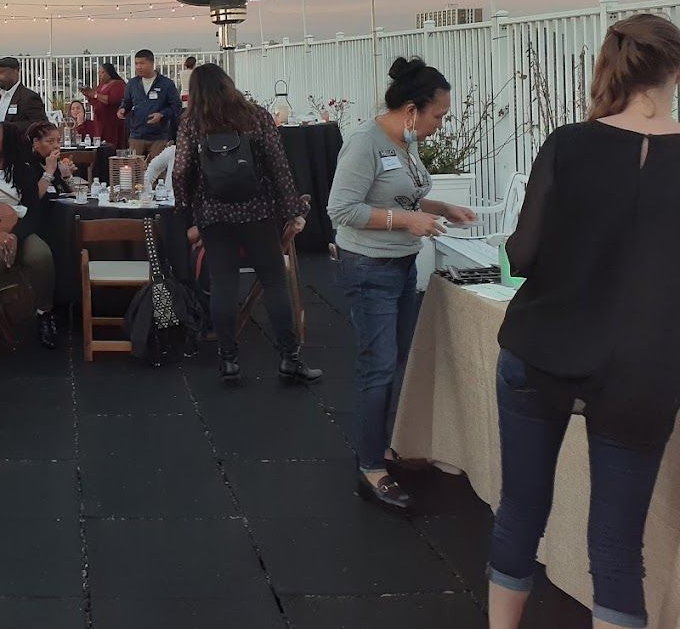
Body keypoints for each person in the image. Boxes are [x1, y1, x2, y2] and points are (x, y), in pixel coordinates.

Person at [487, 14, 680, 629]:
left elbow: (522, 255)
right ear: (675, 72)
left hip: (541, 347)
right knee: (618, 551)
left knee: (520, 513)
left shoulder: (568, 143)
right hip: (644, 370)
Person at [327, 57, 477, 514]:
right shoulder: (364, 143)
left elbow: (399, 194)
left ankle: (381, 447)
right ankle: (371, 466)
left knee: (393, 363)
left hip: (400, 265)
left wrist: (441, 208)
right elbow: (342, 209)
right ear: (412, 110)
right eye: (439, 115)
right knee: (378, 368)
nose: (440, 125)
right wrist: (407, 221)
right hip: (368, 267)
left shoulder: (404, 142)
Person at [172, 63, 320, 386]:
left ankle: (228, 361)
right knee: (274, 282)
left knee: (223, 283)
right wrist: (293, 209)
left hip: (213, 214)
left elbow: (181, 170)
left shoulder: (192, 123)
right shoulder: (256, 117)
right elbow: (279, 166)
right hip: (258, 211)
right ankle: (290, 358)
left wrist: (186, 207)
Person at [0, 122, 59, 353]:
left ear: (9, 142)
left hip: (18, 230)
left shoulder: (23, 170)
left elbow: (33, 211)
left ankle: (44, 313)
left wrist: (15, 235)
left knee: (41, 255)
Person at [119, 49, 181, 160]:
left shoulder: (166, 84)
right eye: (136, 63)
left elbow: (176, 106)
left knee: (156, 168)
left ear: (152, 63)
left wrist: (162, 114)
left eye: (142, 63)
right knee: (134, 167)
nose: (138, 67)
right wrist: (123, 108)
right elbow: (127, 102)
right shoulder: (132, 84)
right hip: (137, 135)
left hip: (158, 136)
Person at [0, 57, 47, 127]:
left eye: (1, 72)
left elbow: (39, 124)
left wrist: (7, 128)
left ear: (15, 71)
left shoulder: (29, 97)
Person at [81, 62, 127, 148]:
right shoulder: (101, 85)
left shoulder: (118, 84)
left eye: (102, 72)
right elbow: (95, 101)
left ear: (109, 73)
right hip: (100, 121)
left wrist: (95, 94)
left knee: (111, 145)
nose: (100, 74)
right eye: (99, 72)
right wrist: (88, 94)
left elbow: (112, 99)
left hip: (112, 122)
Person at [27, 120, 76, 196]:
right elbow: (33, 197)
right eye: (50, 141)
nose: (56, 146)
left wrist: (67, 176)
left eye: (58, 141)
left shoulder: (55, 163)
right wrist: (49, 171)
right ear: (36, 142)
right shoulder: (27, 165)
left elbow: (74, 194)